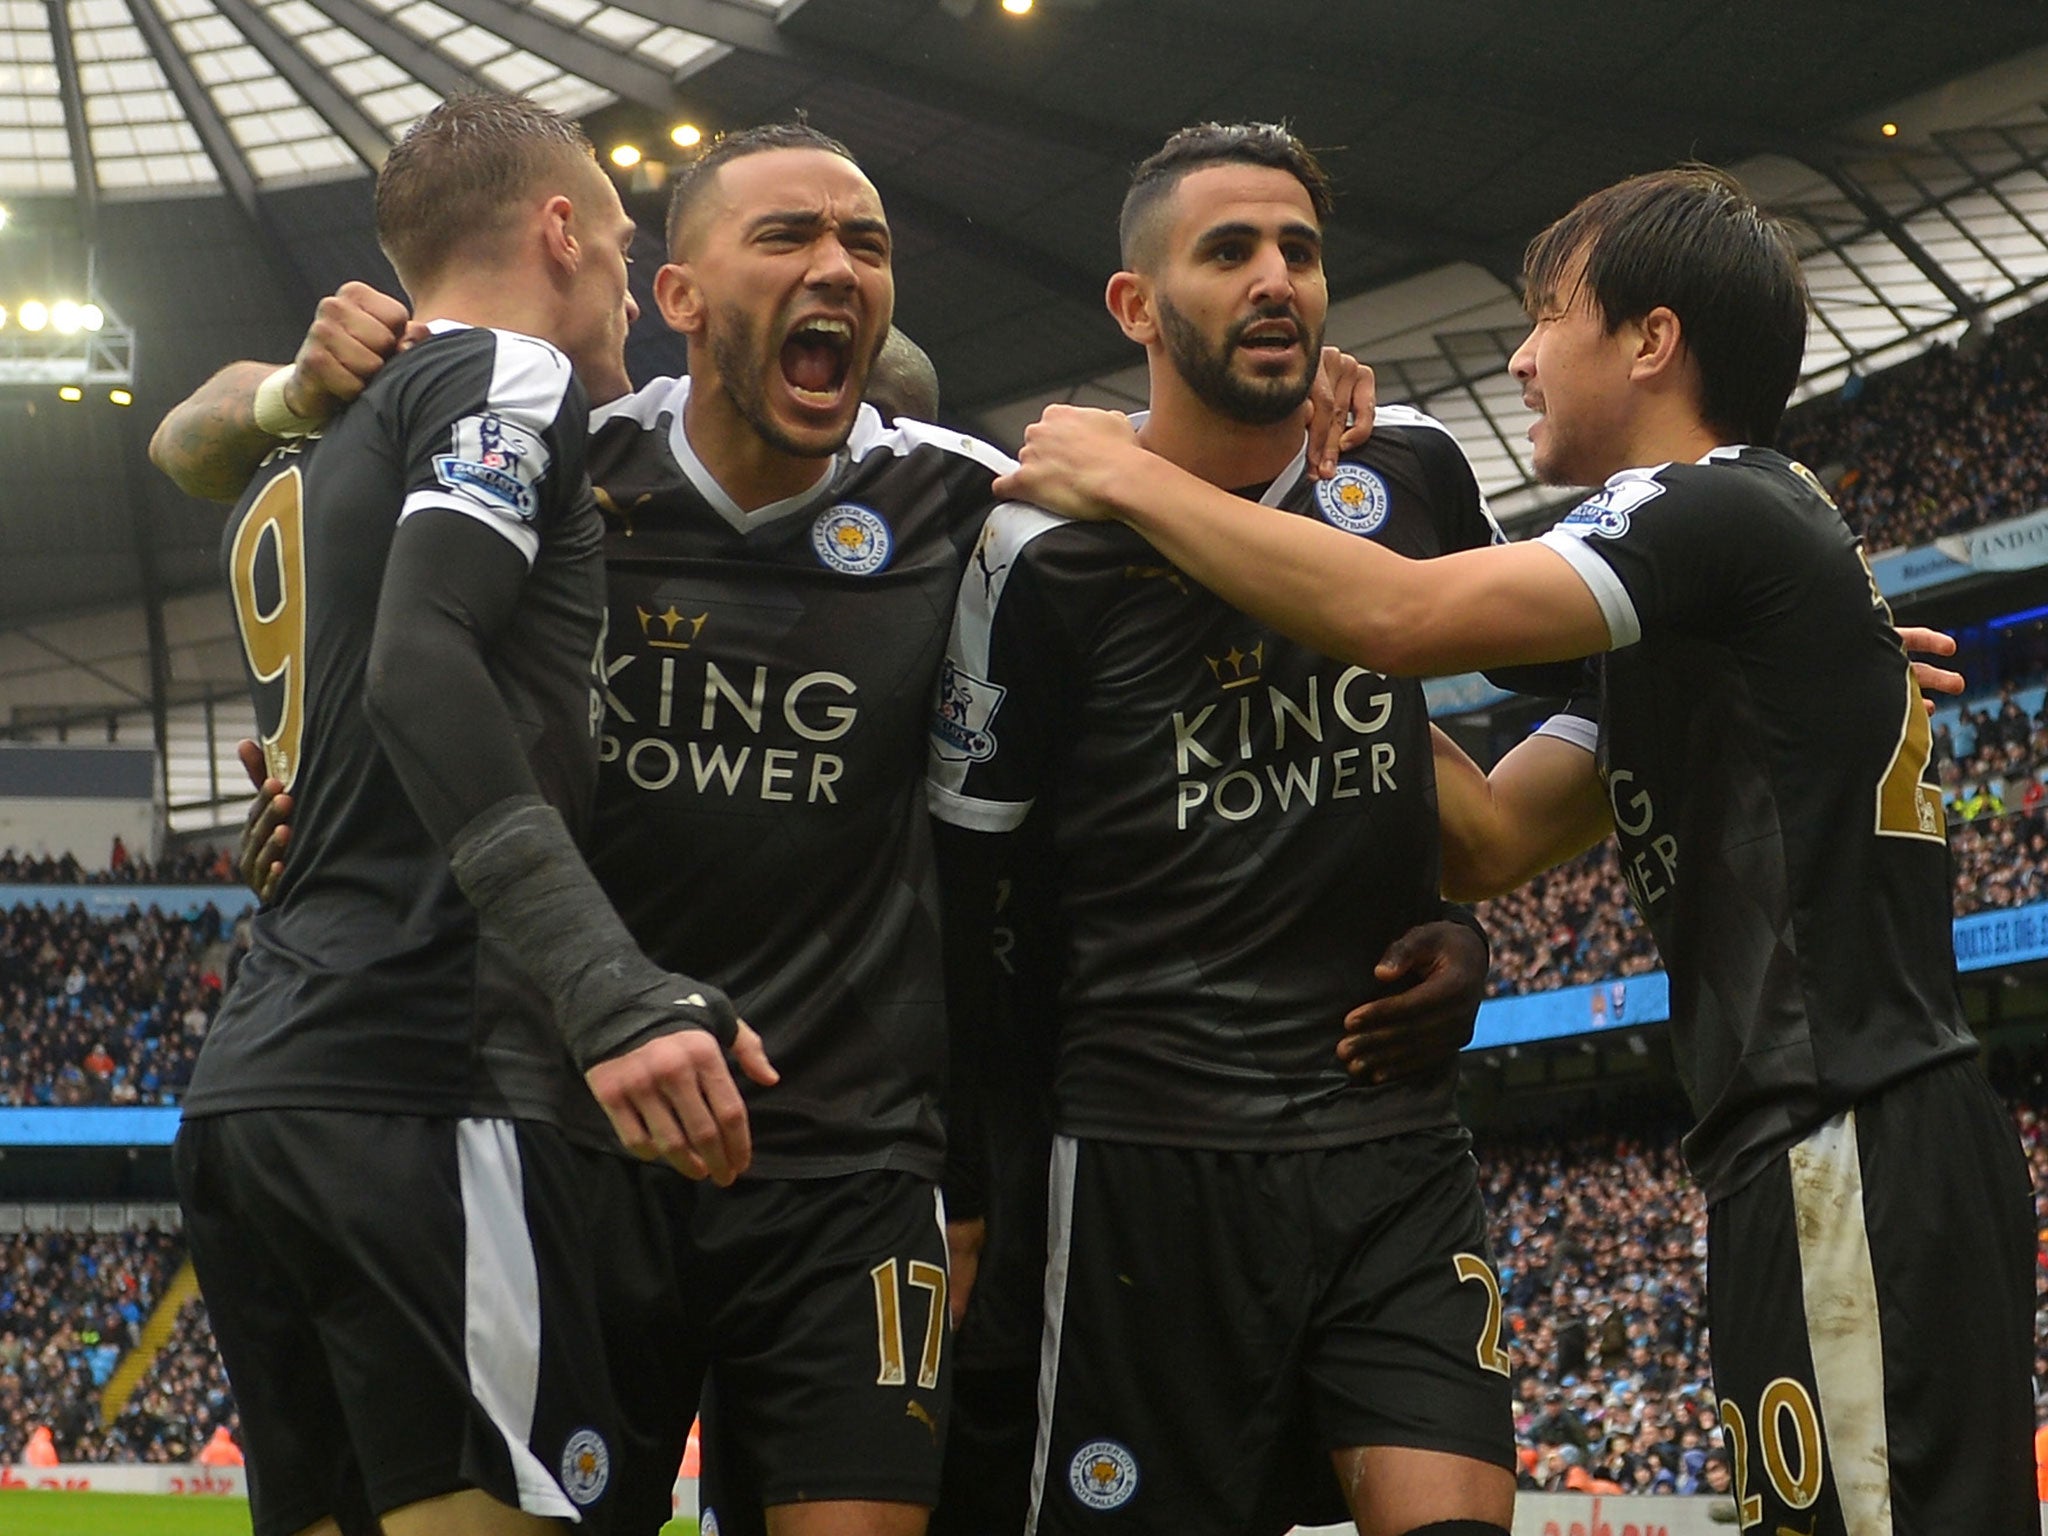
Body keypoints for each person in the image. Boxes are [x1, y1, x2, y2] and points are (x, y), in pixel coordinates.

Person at [150, 121, 1439, 1536]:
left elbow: (1208, 565)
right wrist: (300, 373)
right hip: (592, 1139)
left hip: (848, 1161)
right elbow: (201, 441)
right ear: (678, 299)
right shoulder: (565, 452)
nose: (837, 266)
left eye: (867, 245)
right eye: (787, 238)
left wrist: (1314, 395)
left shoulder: (966, 497)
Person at [998, 164, 2038, 1535]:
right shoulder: (1718, 608)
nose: (1520, 357)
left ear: (1651, 342)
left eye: (1548, 316)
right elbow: (1487, 840)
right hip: (1789, 1154)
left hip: (1850, 1135)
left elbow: (1401, 619)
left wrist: (1134, 476)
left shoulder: (1705, 506)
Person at [927, 122, 1550, 1536]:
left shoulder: (1412, 476)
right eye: (1229, 252)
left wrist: (1466, 927)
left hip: (1394, 1148)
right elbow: (972, 896)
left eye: (1301, 251)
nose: (1277, 280)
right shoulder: (1039, 550)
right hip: (1150, 1167)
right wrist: (976, 1180)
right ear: (1136, 308)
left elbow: (1551, 699)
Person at [165, 92, 774, 1536]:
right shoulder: (508, 372)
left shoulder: (304, 448)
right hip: (427, 1070)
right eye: (620, 247)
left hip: (261, 1087)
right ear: (558, 231)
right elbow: (422, 662)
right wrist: (605, 983)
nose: (632, 291)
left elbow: (194, 445)